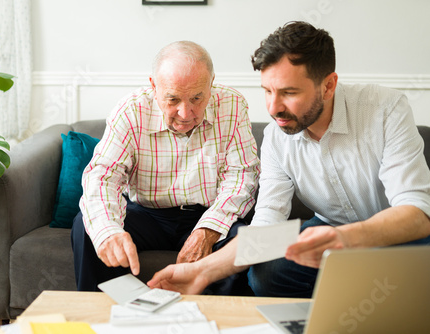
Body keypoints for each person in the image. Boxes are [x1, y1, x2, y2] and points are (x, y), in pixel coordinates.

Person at [147, 21, 430, 298]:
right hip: (329, 227)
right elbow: (267, 225)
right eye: (267, 91)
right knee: (266, 273)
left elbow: (417, 213)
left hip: (399, 232)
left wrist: (349, 238)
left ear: (329, 86)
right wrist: (202, 271)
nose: (273, 107)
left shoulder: (385, 109)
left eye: (289, 93)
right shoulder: (276, 137)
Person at [71, 40, 260, 292]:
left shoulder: (233, 105)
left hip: (207, 213)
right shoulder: (130, 111)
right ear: (154, 86)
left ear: (211, 83)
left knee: (241, 242)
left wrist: (208, 228)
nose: (185, 112)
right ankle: (108, 320)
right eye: (173, 99)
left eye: (196, 98)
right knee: (87, 224)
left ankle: (216, 325)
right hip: (147, 214)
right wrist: (108, 230)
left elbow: (242, 176)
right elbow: (103, 177)